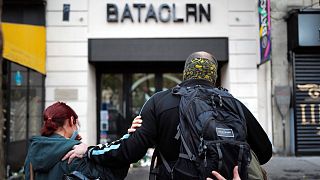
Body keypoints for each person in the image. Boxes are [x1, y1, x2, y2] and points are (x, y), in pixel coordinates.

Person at [66, 51, 272, 179]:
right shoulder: (233, 104)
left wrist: (90, 151)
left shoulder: (160, 102)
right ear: (214, 76)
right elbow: (264, 152)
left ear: (185, 73)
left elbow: (131, 151)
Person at [24, 102, 141, 180]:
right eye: (76, 123)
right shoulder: (73, 153)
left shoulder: (33, 151)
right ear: (71, 120)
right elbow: (110, 175)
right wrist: (130, 139)